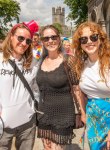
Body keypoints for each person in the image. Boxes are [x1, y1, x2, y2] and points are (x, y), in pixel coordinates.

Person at [72, 21, 110, 150]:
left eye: (93, 37)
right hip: (95, 121)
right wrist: (84, 115)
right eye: (83, 39)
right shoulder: (82, 65)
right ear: (80, 44)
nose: (89, 42)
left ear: (101, 39)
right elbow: (81, 93)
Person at [36, 25, 80, 150]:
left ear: (59, 39)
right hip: (44, 115)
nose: (50, 41)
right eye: (46, 38)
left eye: (53, 37)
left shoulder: (69, 60)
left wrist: (82, 113)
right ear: (42, 42)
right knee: (47, 147)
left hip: (63, 115)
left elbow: (76, 89)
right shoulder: (41, 60)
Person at [0, 20, 39, 150]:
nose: (24, 44)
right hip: (3, 125)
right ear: (11, 36)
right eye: (20, 38)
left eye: (28, 41)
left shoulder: (33, 63)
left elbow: (36, 89)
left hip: (27, 124)